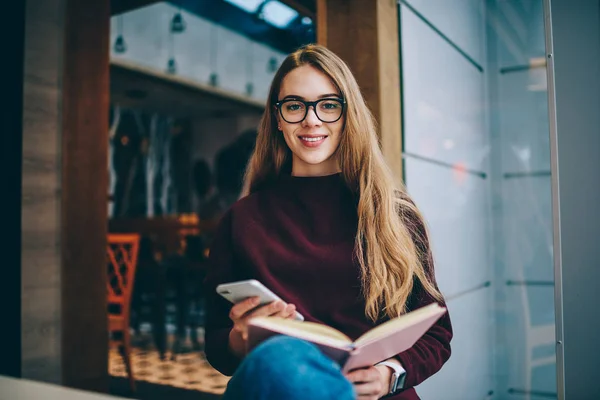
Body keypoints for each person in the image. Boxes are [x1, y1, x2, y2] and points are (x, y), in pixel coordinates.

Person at [203, 44, 452, 400]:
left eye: (328, 105)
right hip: (277, 388)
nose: (311, 120)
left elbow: (437, 333)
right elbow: (216, 345)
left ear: (347, 114)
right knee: (279, 360)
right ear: (277, 118)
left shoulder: (395, 215)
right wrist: (238, 339)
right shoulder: (242, 220)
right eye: (294, 106)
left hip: (377, 395)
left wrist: (389, 375)